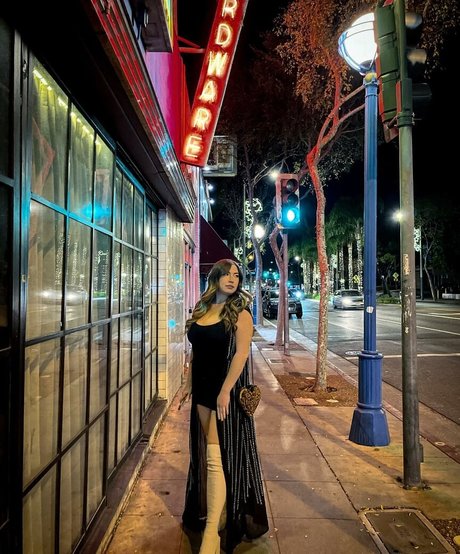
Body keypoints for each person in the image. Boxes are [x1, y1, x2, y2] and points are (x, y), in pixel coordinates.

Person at [180, 259, 268, 553]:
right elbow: (196, 351)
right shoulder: (202, 309)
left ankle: (211, 534)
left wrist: (226, 391)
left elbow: (241, 354)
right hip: (202, 392)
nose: (232, 279)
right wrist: (188, 384)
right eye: (227, 274)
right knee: (207, 456)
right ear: (215, 277)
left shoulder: (240, 313)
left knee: (216, 459)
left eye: (237, 276)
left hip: (223, 393)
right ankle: (217, 515)